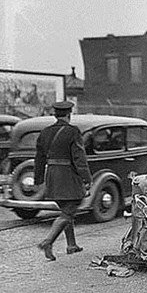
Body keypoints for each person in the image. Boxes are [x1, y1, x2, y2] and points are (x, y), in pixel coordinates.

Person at [34, 101, 92, 261]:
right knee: (70, 209)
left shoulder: (44, 132)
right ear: (69, 115)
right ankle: (48, 242)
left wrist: (38, 179)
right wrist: (87, 178)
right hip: (68, 176)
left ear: (55, 115)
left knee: (66, 209)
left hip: (52, 176)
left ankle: (71, 245)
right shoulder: (73, 132)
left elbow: (39, 158)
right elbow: (79, 158)